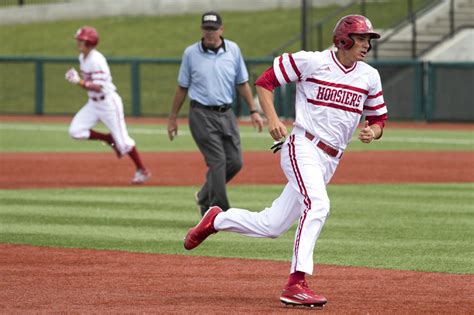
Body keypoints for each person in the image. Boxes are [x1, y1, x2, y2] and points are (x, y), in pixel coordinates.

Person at [183, 15, 388, 308]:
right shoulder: (312, 61)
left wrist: (374, 130)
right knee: (318, 204)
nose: (367, 44)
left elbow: (379, 117)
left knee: (271, 225)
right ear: (343, 39)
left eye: (369, 39)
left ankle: (216, 218)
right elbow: (265, 82)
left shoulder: (369, 76)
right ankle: (296, 283)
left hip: (331, 159)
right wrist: (273, 119)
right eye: (362, 38)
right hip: (303, 145)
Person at [167, 11, 264, 216]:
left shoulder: (233, 50)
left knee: (235, 162)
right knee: (218, 161)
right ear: (202, 29)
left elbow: (242, 83)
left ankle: (203, 195)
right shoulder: (190, 53)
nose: (209, 33)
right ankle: (219, 213)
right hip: (200, 113)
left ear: (221, 29)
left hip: (226, 113)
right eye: (206, 28)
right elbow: (182, 88)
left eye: (213, 28)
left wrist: (254, 110)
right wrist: (173, 118)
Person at [65, 26, 151, 184]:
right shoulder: (82, 57)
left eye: (81, 40)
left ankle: (142, 170)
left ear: (89, 42)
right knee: (75, 131)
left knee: (124, 143)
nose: (78, 42)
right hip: (93, 103)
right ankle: (108, 138)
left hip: (108, 103)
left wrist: (78, 81)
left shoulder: (96, 60)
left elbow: (98, 86)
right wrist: (79, 80)